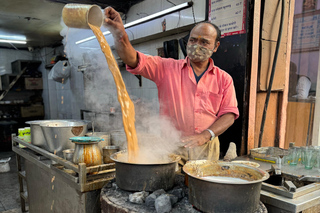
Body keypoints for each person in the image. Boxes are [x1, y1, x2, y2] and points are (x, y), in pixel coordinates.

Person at [104, 7, 239, 161]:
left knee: (203, 184)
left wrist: (206, 135)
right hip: (171, 146)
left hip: (206, 147)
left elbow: (229, 115)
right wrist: (119, 34)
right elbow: (132, 58)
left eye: (204, 42)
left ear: (215, 47)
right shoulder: (166, 68)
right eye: (193, 40)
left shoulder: (223, 79)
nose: (196, 45)